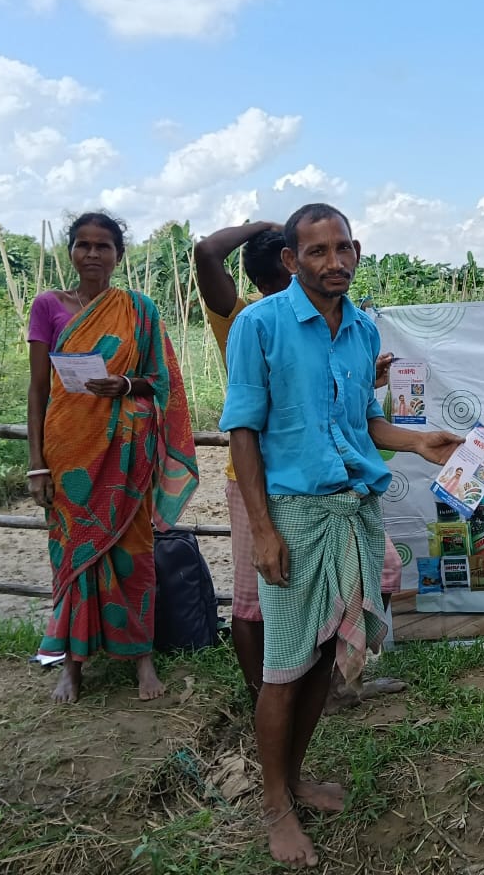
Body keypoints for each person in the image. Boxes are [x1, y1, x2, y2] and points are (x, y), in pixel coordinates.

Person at [220, 203, 462, 866]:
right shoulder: (260, 325)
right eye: (318, 251)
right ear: (291, 260)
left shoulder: (360, 330)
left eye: (343, 248)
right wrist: (263, 531)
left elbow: (363, 423)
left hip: (354, 509)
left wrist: (419, 441)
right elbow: (242, 431)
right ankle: (275, 805)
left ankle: (296, 779)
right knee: (283, 667)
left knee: (324, 654)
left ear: (356, 251)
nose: (335, 262)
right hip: (294, 515)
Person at [194, 220, 406, 713]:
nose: (326, 270)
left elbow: (343, 405)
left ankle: (332, 684)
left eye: (340, 251)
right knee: (255, 600)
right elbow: (206, 252)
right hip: (264, 484)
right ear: (289, 269)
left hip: (330, 485)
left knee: (381, 571)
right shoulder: (248, 320)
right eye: (307, 260)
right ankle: (269, 699)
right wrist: (267, 225)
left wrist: (359, 380)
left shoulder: (347, 326)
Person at [26, 212, 198, 704]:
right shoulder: (48, 306)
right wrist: (37, 464)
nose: (92, 254)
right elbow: (38, 390)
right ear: (70, 252)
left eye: (103, 246)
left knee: (132, 551)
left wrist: (123, 384)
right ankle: (72, 666)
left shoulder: (139, 309)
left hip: (125, 457)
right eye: (83, 245)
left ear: (118, 255)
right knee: (73, 554)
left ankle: (142, 659)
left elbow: (160, 381)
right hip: (69, 453)